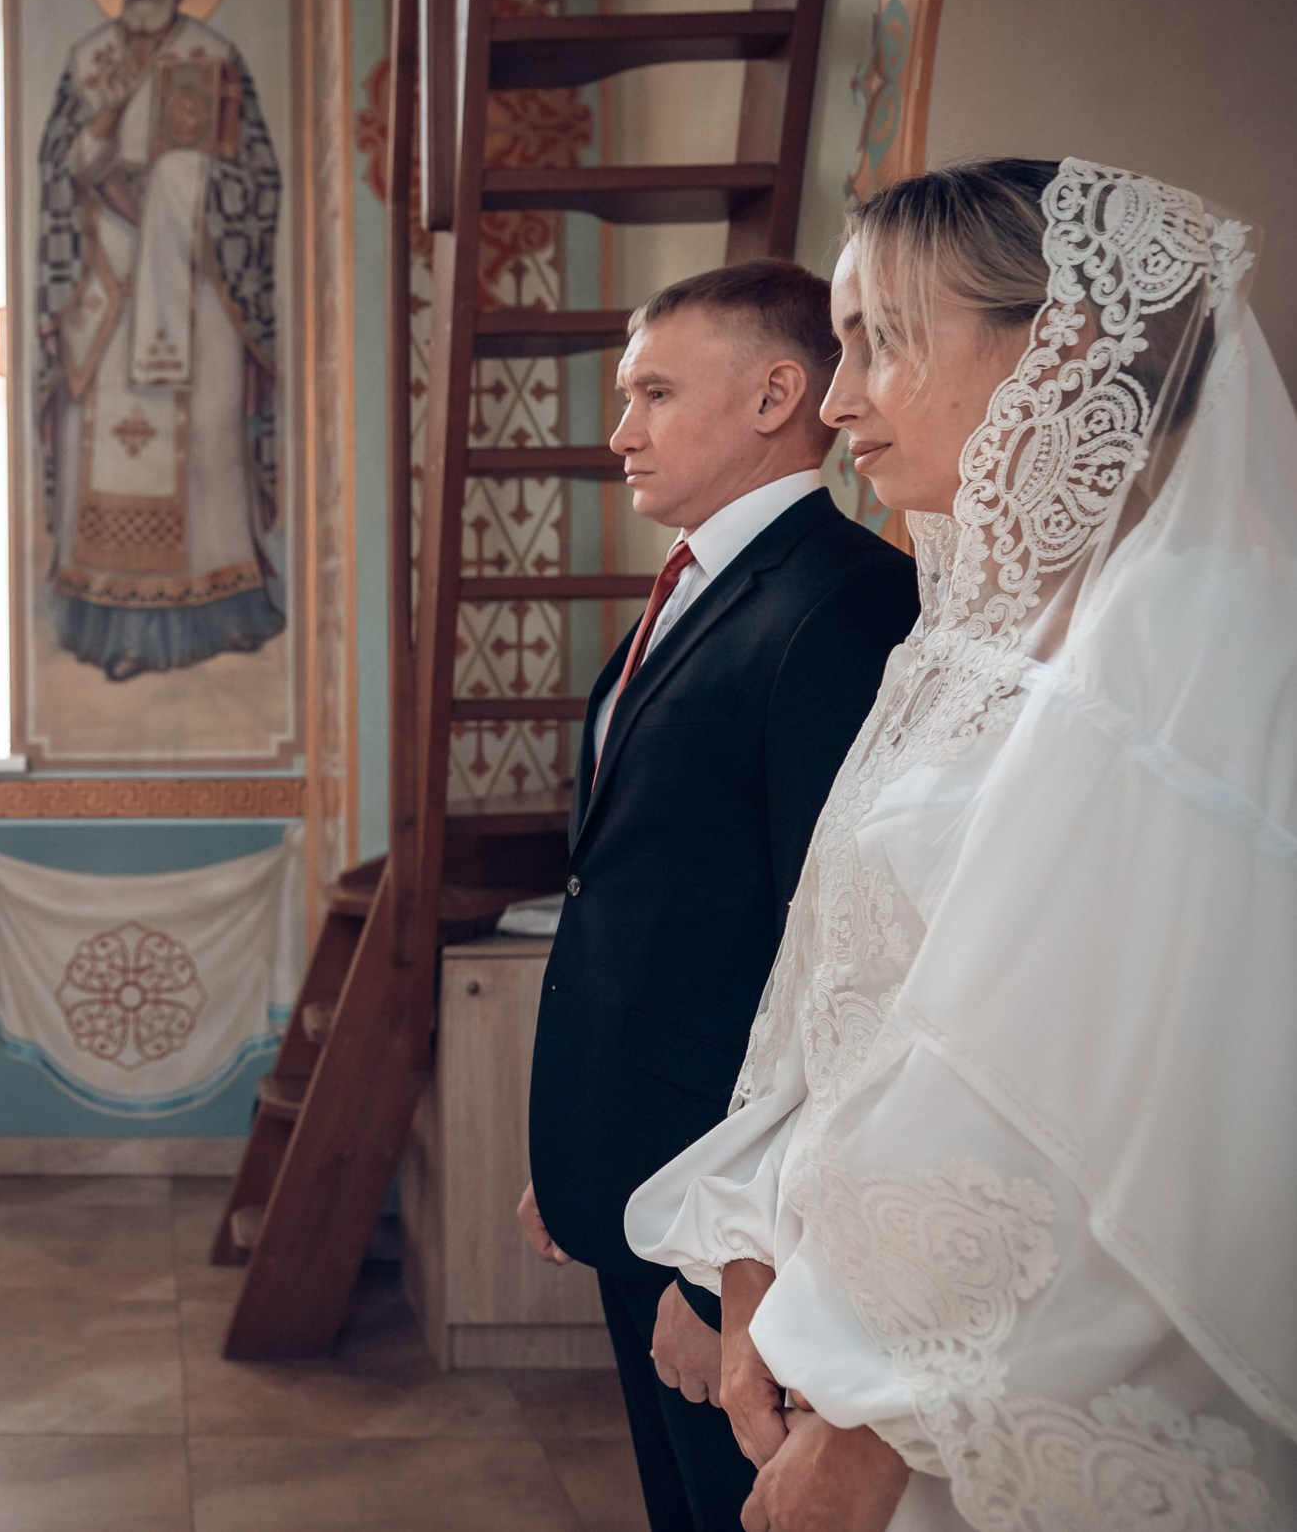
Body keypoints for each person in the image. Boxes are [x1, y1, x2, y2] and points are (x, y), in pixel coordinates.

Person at [628, 159, 1294, 1531]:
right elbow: (842, 991)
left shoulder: (1194, 644)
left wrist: (879, 1424)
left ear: (1066, 345)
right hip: (850, 1331)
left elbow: (1136, 1109)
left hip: (990, 1398)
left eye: (882, 339)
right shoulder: (965, 637)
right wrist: (747, 1249)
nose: (837, 398)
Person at [520, 259, 919, 1530]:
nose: (620, 431)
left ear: (774, 396)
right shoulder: (697, 585)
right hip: (640, 1168)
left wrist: (723, 1275)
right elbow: (637, 897)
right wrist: (576, 1147)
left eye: (652, 393)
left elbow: (830, 961)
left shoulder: (843, 604)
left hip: (725, 1222)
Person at [35, 0, 284, 680]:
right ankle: (113, 627)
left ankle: (222, 611)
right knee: (99, 440)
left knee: (206, 439)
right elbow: (58, 169)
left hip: (198, 285)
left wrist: (181, 184)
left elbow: (257, 181)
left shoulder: (215, 56)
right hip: (106, 283)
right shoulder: (90, 62)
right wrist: (103, 133)